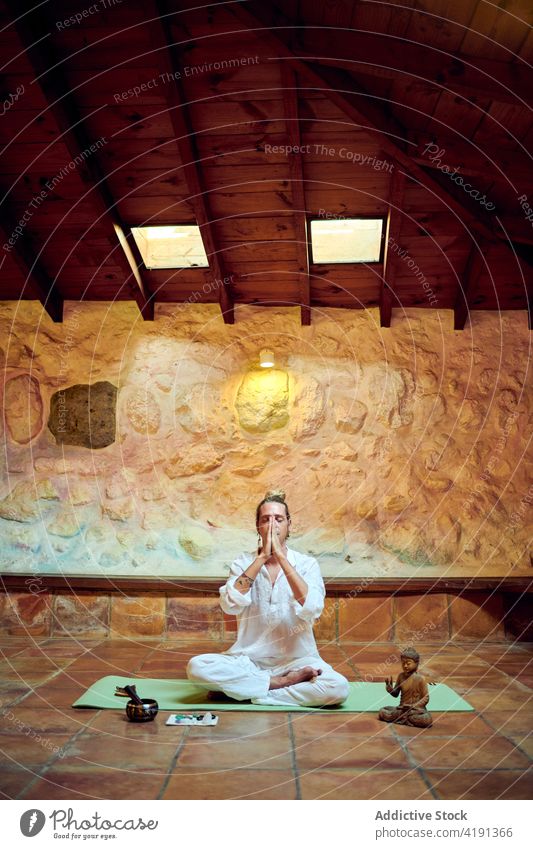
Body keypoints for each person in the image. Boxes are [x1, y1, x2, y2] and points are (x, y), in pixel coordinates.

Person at [187, 489, 350, 706]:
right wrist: (263, 556)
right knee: (197, 667)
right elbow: (230, 604)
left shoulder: (307, 564)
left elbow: (312, 608)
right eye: (266, 519)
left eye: (279, 519)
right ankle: (279, 684)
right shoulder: (242, 562)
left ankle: (247, 690)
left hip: (298, 661)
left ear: (289, 525)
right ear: (258, 526)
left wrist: (281, 558)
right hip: (247, 661)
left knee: (337, 688)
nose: (273, 525)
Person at [378, 647, 433, 727]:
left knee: (426, 719)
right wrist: (390, 690)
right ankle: (406, 719)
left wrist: (414, 706)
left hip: (415, 711)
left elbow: (426, 698)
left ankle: (405, 719)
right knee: (382, 711)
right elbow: (396, 694)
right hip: (402, 709)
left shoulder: (420, 679)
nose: (405, 666)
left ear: (416, 663)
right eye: (403, 663)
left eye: (408, 663)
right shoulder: (401, 676)